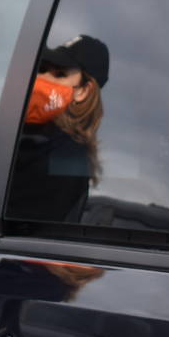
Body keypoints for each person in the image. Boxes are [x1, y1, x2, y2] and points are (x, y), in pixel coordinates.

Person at [7, 34, 108, 223]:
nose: (42, 78)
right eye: (42, 69)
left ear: (83, 91)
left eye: (60, 74)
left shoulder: (66, 156)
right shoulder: (22, 131)